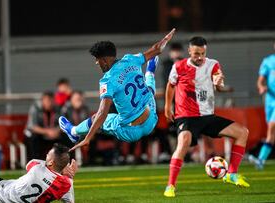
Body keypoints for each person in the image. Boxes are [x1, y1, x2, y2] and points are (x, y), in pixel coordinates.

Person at [58, 29, 176, 152]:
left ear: (104, 60)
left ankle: (73, 131)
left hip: (130, 130)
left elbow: (102, 113)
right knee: (148, 91)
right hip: (151, 121)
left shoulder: (107, 81)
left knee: (96, 118)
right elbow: (157, 49)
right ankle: (150, 70)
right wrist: (165, 39)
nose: (97, 63)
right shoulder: (131, 59)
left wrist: (88, 137)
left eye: (97, 59)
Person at [163, 36, 250, 197]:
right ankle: (170, 186)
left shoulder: (213, 64)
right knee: (184, 143)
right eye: (196, 53)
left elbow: (220, 86)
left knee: (242, 133)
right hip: (186, 116)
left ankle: (231, 174)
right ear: (189, 51)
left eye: (202, 53)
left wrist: (218, 83)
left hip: (207, 116)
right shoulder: (179, 66)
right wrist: (168, 106)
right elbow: (170, 85)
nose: (200, 57)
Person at [248, 43, 275, 170]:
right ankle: (261, 159)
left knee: (271, 128)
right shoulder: (268, 61)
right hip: (270, 100)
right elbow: (261, 80)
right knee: (271, 134)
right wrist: (261, 87)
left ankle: (260, 159)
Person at [24, 91, 61, 161]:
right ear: (42, 100)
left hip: (53, 134)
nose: (49, 103)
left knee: (66, 137)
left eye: (51, 101)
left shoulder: (58, 109)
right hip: (38, 134)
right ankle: (34, 162)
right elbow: (32, 126)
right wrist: (48, 132)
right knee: (33, 137)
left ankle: (63, 162)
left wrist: (56, 131)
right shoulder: (35, 108)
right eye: (47, 101)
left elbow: (62, 124)